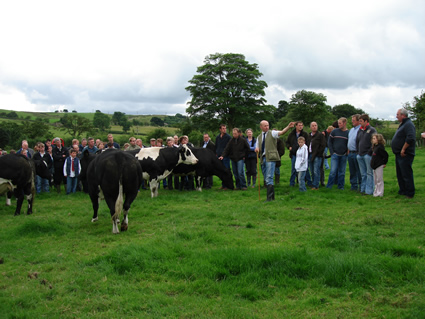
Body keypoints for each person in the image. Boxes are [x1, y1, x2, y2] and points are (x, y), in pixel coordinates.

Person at [255, 120, 294, 201]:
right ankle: (272, 197)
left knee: (269, 177)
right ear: (261, 127)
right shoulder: (259, 137)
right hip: (263, 158)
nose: (267, 127)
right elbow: (257, 147)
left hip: (271, 157)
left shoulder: (272, 133)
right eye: (265, 126)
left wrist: (288, 127)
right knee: (266, 177)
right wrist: (257, 149)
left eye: (268, 125)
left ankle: (269, 198)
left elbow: (282, 132)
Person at [391, 108, 416, 198]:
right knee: (400, 173)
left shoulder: (408, 124)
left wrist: (403, 149)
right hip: (398, 153)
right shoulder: (403, 124)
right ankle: (403, 190)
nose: (396, 116)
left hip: (405, 154)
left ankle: (410, 192)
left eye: (397, 115)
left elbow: (410, 138)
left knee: (406, 173)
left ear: (403, 115)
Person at [356, 114, 377, 195]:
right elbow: (357, 141)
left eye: (361, 121)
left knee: (369, 173)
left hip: (367, 155)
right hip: (360, 154)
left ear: (366, 121)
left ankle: (369, 191)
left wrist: (369, 152)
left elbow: (374, 142)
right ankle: (363, 189)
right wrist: (358, 151)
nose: (360, 123)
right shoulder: (360, 130)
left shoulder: (372, 130)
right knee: (363, 174)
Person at [326, 118, 349, 190]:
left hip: (343, 155)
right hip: (335, 154)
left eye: (340, 123)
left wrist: (347, 151)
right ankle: (329, 186)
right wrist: (332, 152)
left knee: (342, 172)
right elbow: (329, 142)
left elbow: (349, 143)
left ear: (344, 123)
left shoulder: (348, 133)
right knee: (333, 171)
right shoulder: (334, 131)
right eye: (338, 123)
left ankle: (341, 186)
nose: (338, 125)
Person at [286, 122, 310, 187]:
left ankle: (308, 182)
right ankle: (292, 183)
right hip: (294, 153)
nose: (300, 127)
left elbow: (308, 142)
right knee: (294, 168)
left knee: (304, 168)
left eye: (302, 125)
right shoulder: (291, 134)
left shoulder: (305, 134)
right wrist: (289, 147)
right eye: (299, 125)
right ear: (296, 126)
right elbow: (287, 142)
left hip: (302, 153)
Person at [308, 122, 326, 190]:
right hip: (310, 154)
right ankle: (313, 183)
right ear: (310, 127)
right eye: (313, 126)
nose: (314, 127)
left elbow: (323, 145)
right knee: (312, 170)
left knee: (316, 171)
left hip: (317, 155)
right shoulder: (309, 135)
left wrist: (318, 153)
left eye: (315, 125)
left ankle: (316, 185)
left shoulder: (320, 135)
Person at [347, 114, 362, 191]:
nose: (352, 122)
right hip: (350, 153)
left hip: (357, 152)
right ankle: (353, 186)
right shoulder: (351, 130)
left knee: (359, 170)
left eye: (353, 120)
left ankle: (361, 186)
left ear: (359, 121)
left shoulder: (361, 130)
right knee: (352, 171)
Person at [215, 124, 232, 189]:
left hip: (225, 156)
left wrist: (224, 155)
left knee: (226, 170)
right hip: (218, 156)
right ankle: (223, 184)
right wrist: (216, 153)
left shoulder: (228, 137)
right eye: (223, 128)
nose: (224, 130)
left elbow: (229, 147)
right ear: (220, 129)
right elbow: (216, 146)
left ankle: (227, 185)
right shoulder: (218, 137)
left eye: (225, 128)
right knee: (221, 171)